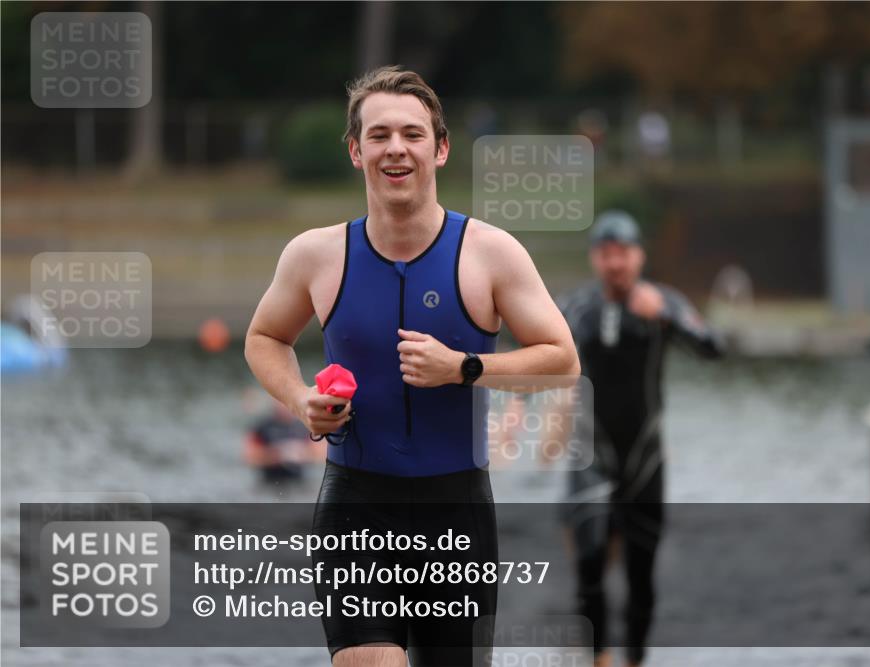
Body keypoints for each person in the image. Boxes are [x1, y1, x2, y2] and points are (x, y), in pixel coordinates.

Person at [244, 66, 579, 667]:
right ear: (356, 151)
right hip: (356, 510)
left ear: (440, 148)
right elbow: (265, 336)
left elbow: (561, 361)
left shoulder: (491, 254)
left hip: (457, 516)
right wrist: (299, 400)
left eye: (412, 134)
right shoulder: (316, 255)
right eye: (378, 135)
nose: (395, 148)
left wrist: (464, 367)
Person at [557, 210, 723, 667]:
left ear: (640, 257)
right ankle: (598, 658)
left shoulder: (662, 303)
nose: (616, 264)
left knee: (641, 572)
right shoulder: (578, 307)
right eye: (607, 255)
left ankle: (634, 660)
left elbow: (714, 347)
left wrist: (668, 316)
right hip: (591, 454)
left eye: (624, 254)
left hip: (645, 457)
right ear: (595, 259)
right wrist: (515, 407)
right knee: (589, 562)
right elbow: (530, 345)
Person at [243, 397, 324, 487]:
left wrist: (301, 454)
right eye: (280, 402)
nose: (284, 406)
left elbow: (320, 455)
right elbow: (249, 457)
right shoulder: (262, 426)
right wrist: (277, 455)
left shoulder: (304, 425)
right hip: (269, 482)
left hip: (298, 482)